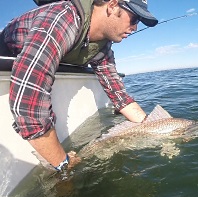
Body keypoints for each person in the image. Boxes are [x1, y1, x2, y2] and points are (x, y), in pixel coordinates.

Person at [0, 0, 157, 172]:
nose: (134, 28)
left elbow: (119, 95)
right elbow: (28, 104)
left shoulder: (102, 47)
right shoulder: (62, 18)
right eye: (134, 19)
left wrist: (155, 126)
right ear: (112, 5)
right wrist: (63, 163)